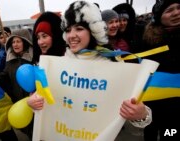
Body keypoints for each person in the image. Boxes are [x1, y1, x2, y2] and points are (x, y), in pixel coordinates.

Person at [27, 0, 152, 140]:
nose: (72, 35)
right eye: (68, 30)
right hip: (65, 134)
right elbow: (46, 102)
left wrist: (142, 115)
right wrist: (33, 103)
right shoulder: (59, 63)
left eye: (79, 28)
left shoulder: (112, 63)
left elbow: (136, 109)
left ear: (93, 30)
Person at [142, 0, 180, 140]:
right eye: (169, 10)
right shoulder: (148, 40)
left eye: (178, 8)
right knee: (150, 132)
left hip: (176, 106)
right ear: (159, 17)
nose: (176, 12)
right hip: (153, 101)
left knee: (170, 133)